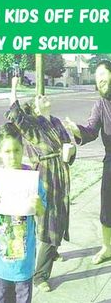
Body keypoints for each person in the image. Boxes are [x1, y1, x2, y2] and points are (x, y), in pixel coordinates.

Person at [5, 77, 76, 292]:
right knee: (48, 221)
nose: (43, 96)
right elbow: (15, 115)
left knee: (61, 214)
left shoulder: (56, 122)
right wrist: (14, 87)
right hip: (46, 176)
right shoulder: (34, 126)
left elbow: (69, 145)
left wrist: (70, 152)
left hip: (61, 172)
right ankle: (40, 275)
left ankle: (52, 250)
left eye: (44, 94)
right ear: (35, 108)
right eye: (38, 97)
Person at [0, 122, 46, 303]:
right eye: (7, 151)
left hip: (24, 264)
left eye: (16, 150)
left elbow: (42, 212)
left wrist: (39, 205)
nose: (12, 156)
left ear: (23, 149)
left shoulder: (31, 179)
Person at [65, 59, 111, 265]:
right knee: (107, 208)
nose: (100, 80)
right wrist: (78, 131)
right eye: (97, 78)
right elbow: (91, 130)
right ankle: (108, 247)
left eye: (103, 74)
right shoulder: (100, 105)